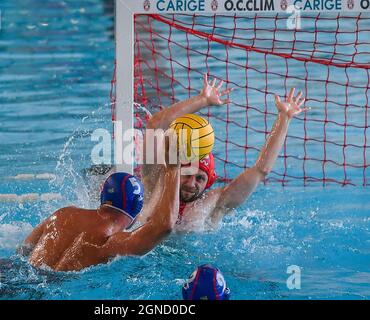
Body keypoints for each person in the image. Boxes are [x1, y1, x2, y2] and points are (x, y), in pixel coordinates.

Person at [139, 74, 308, 229]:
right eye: (187, 174)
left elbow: (260, 170)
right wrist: (202, 100)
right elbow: (156, 125)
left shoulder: (214, 203)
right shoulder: (155, 183)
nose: (191, 184)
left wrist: (284, 118)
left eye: (200, 178)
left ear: (210, 180)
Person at [18, 161, 180, 272]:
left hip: (18, 276)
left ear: (103, 198)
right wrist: (173, 168)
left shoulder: (62, 214)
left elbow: (23, 251)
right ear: (137, 209)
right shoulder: (112, 241)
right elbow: (164, 226)